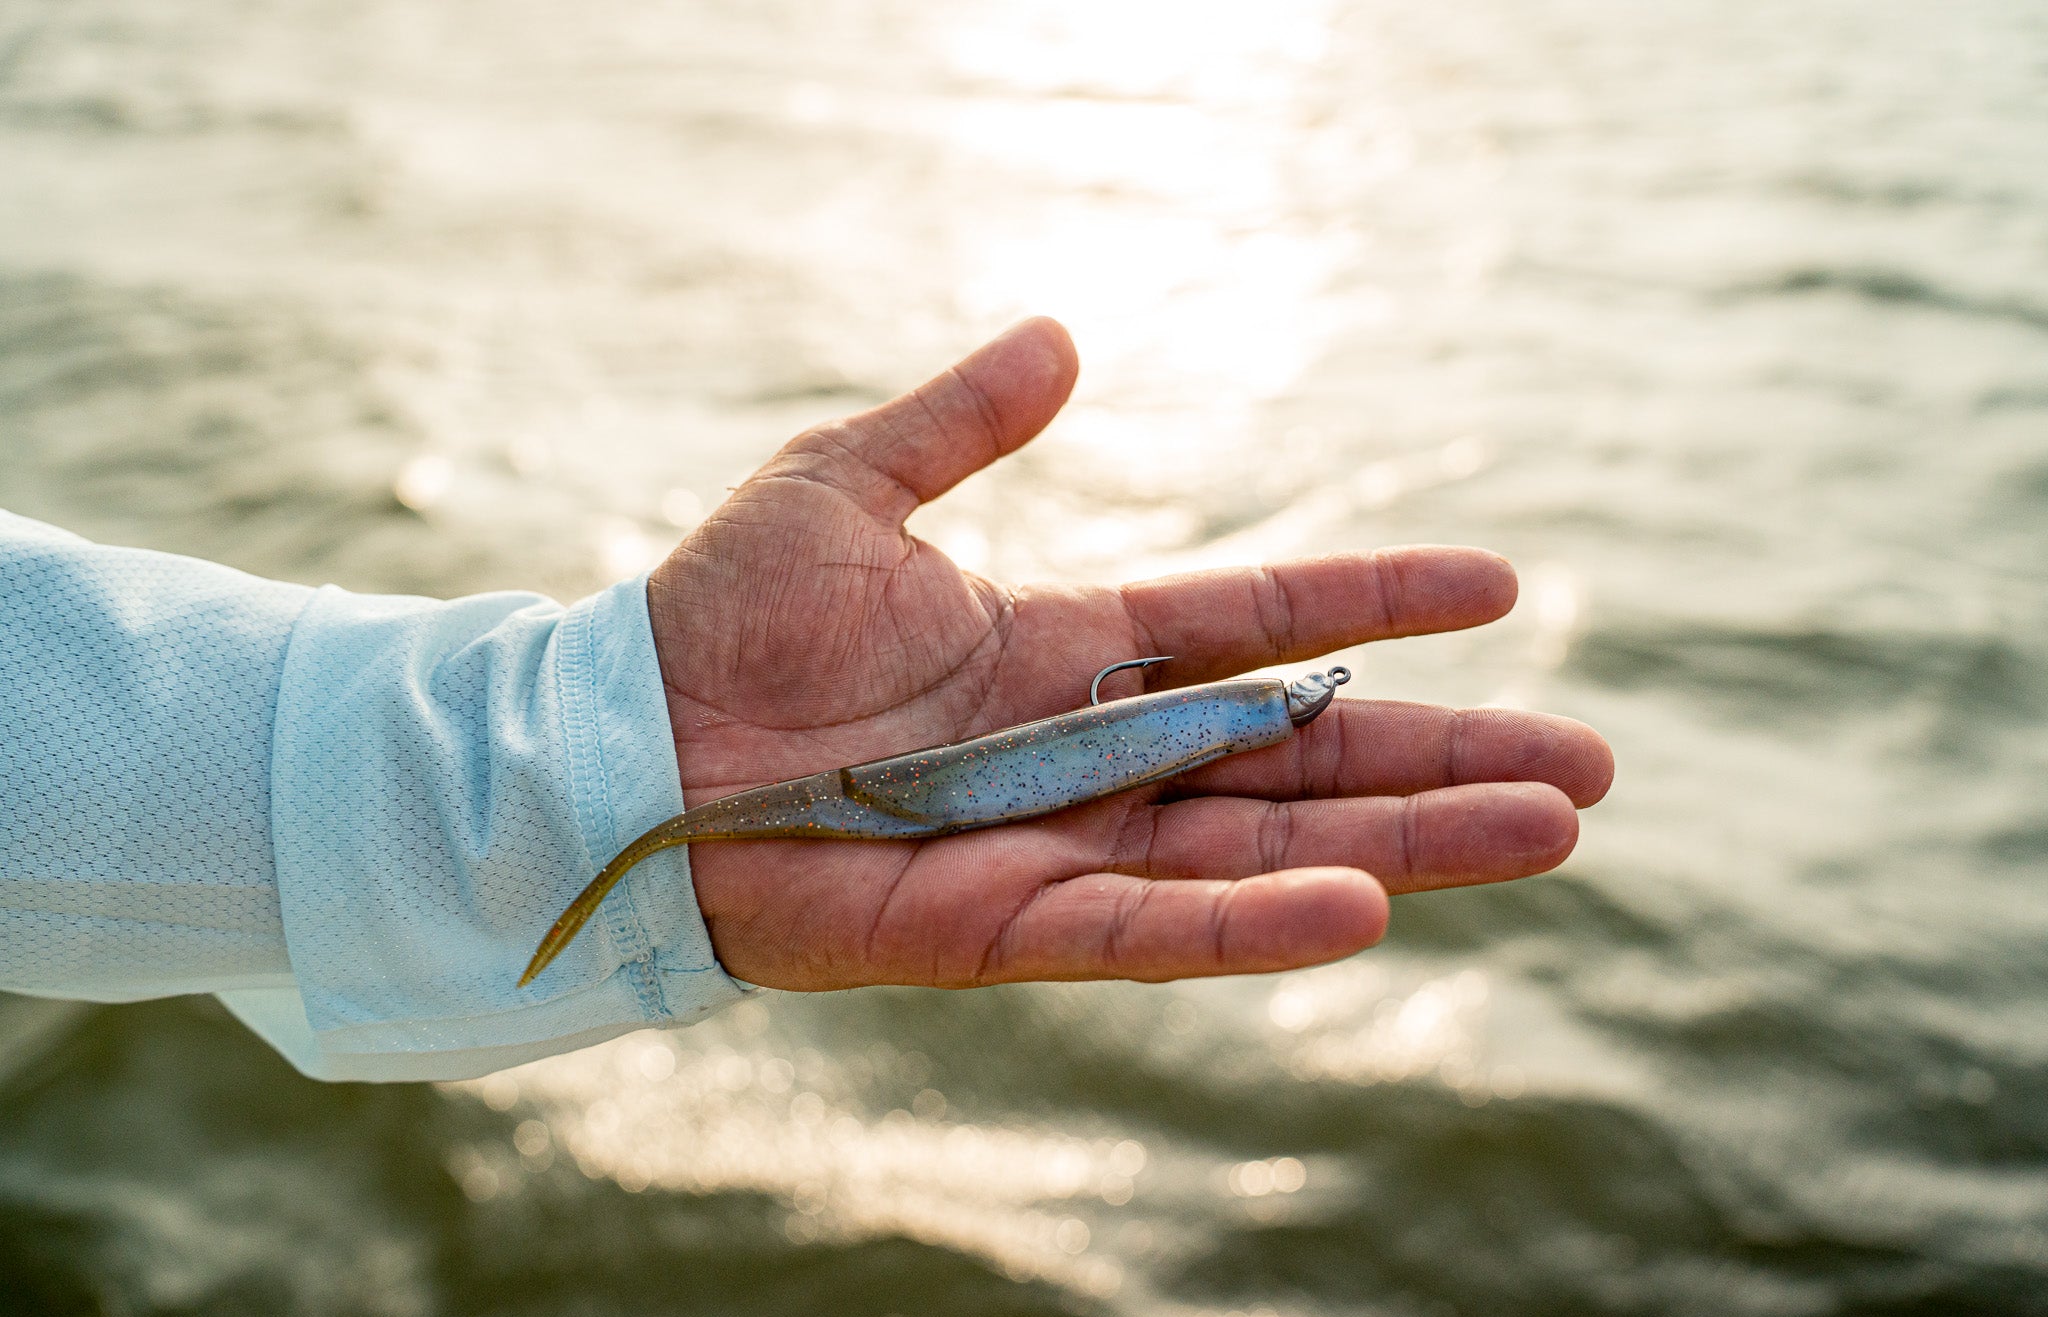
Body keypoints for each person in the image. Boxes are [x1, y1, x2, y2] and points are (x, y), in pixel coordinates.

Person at [0, 318, 1612, 1081]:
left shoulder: (1250, 710)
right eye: (1295, 698)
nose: (1294, 699)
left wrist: (598, 747)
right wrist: (604, 762)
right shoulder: (1245, 712)